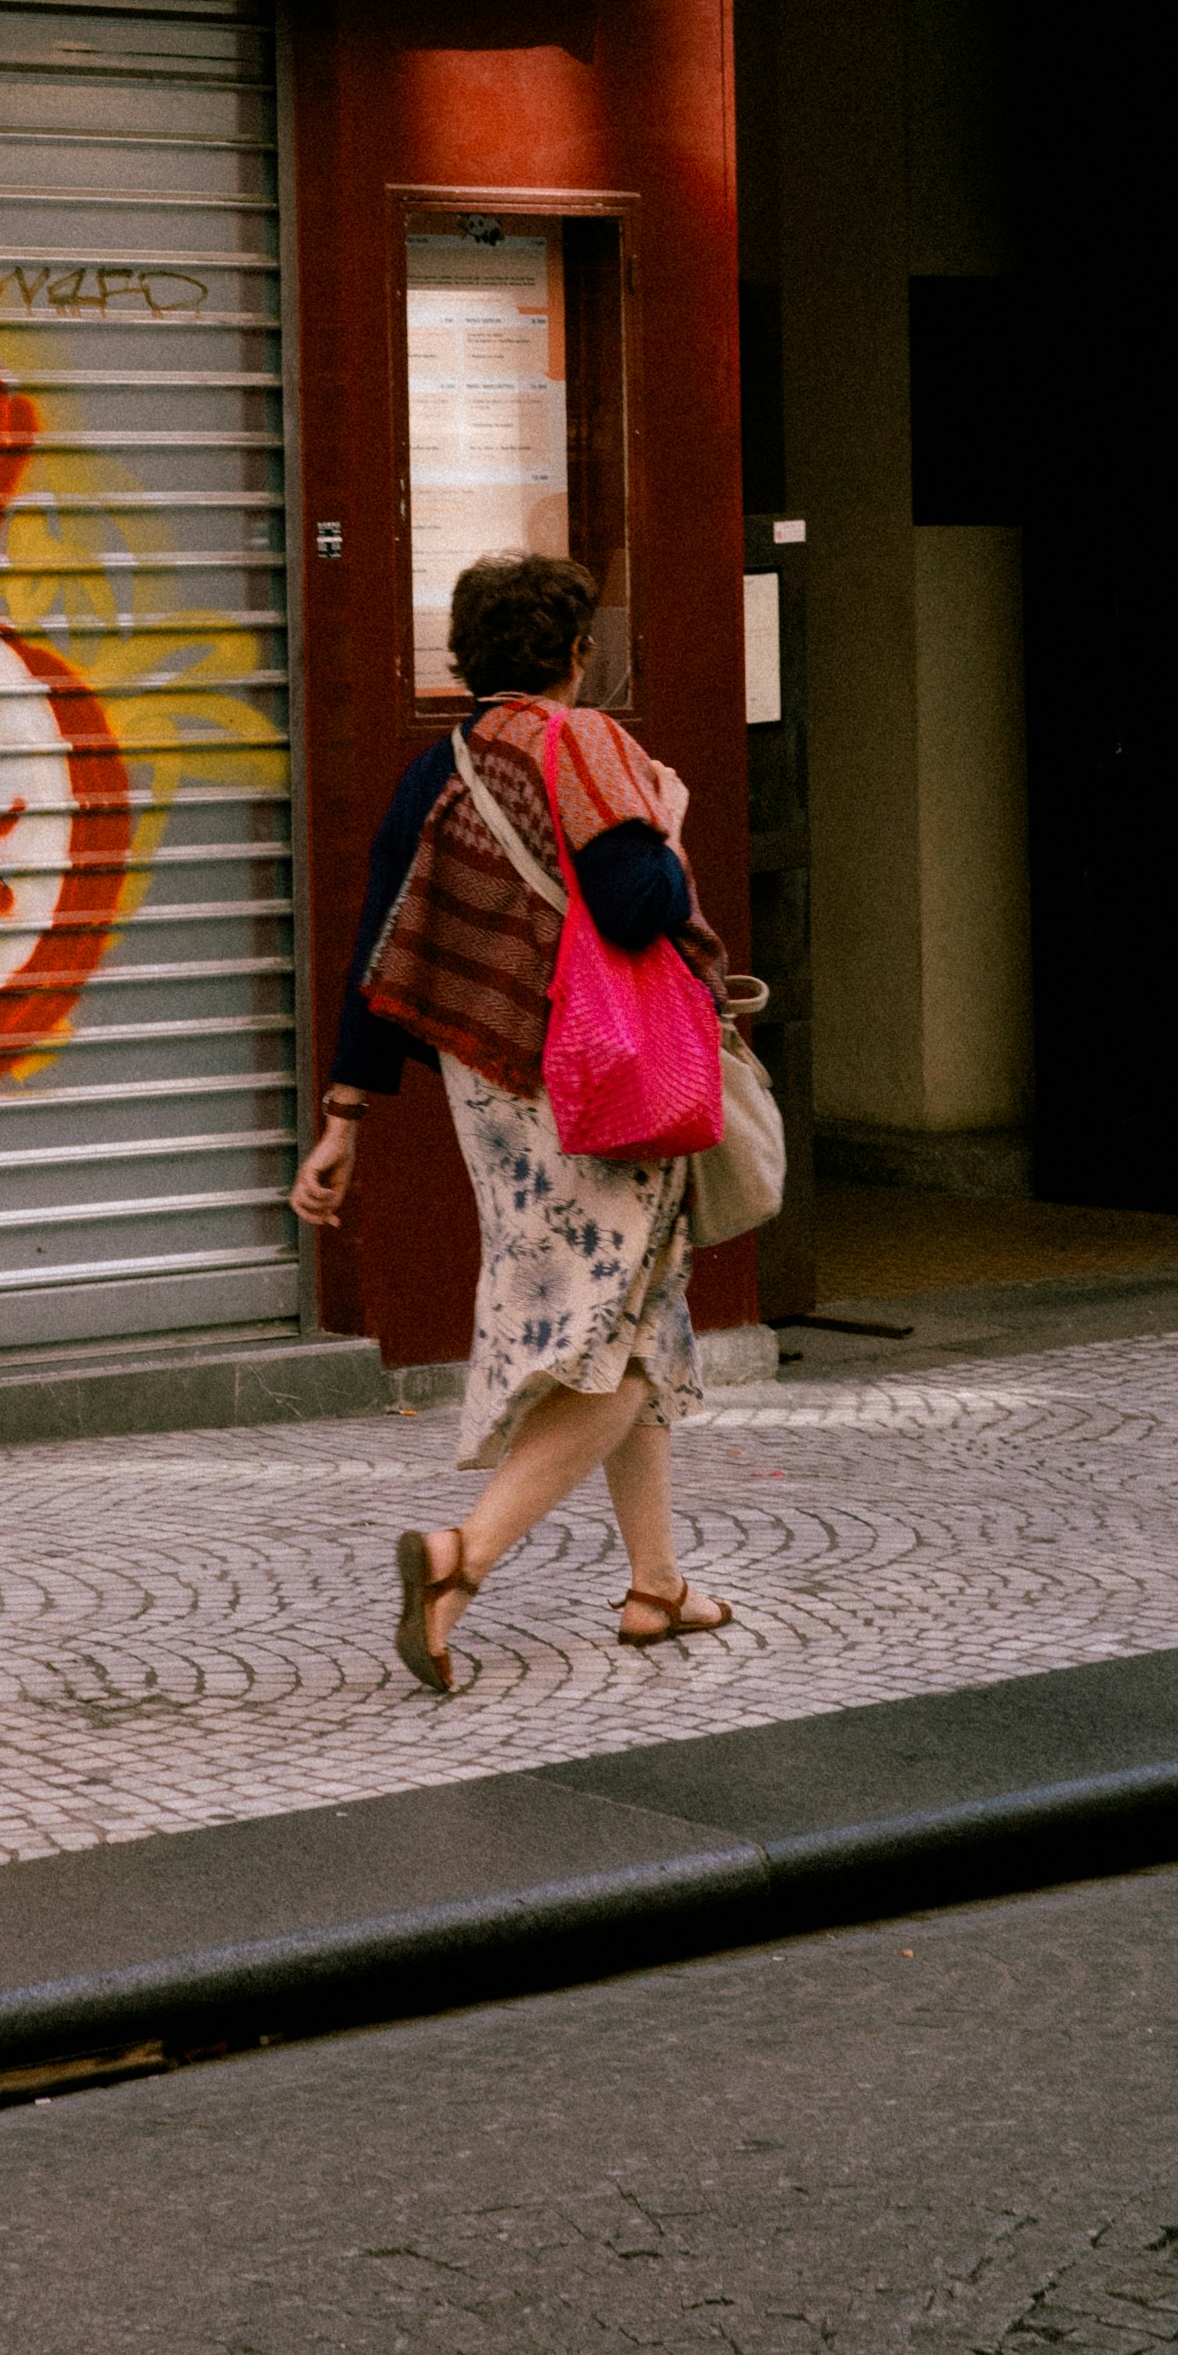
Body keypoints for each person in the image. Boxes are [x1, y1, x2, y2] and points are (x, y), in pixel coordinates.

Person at [287, 548, 733, 1693]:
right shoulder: (581, 744)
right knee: (618, 1349)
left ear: (466, 654)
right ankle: (460, 1558)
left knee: (631, 1317)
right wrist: (665, 817)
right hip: (599, 1088)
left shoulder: (430, 771)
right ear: (575, 652)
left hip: (491, 1095)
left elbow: (381, 958)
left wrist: (343, 1116)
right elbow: (638, 902)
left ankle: (655, 1586)